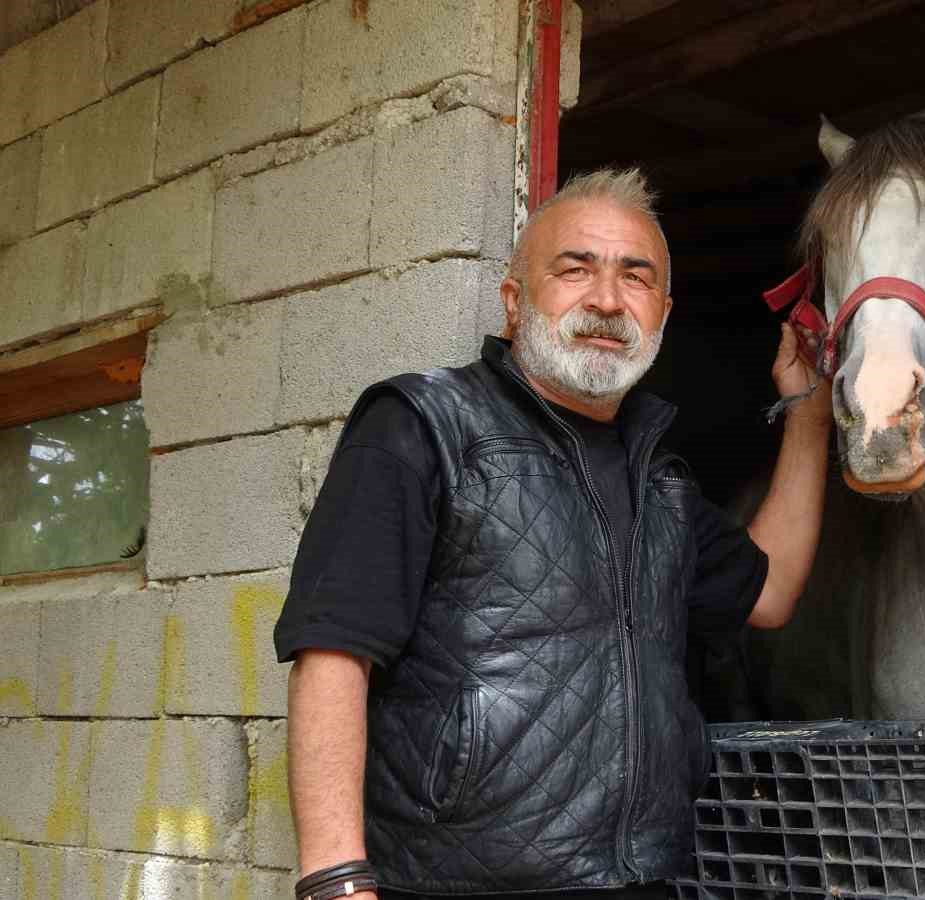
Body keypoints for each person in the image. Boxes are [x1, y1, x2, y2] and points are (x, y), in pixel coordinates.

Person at [272, 167, 832, 900]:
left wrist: (808, 415)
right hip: (458, 886)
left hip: (641, 880)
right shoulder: (422, 427)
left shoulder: (659, 478)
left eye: (636, 278)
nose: (606, 300)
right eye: (575, 269)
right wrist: (336, 881)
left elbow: (772, 591)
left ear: (662, 312)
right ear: (514, 302)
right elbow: (332, 653)